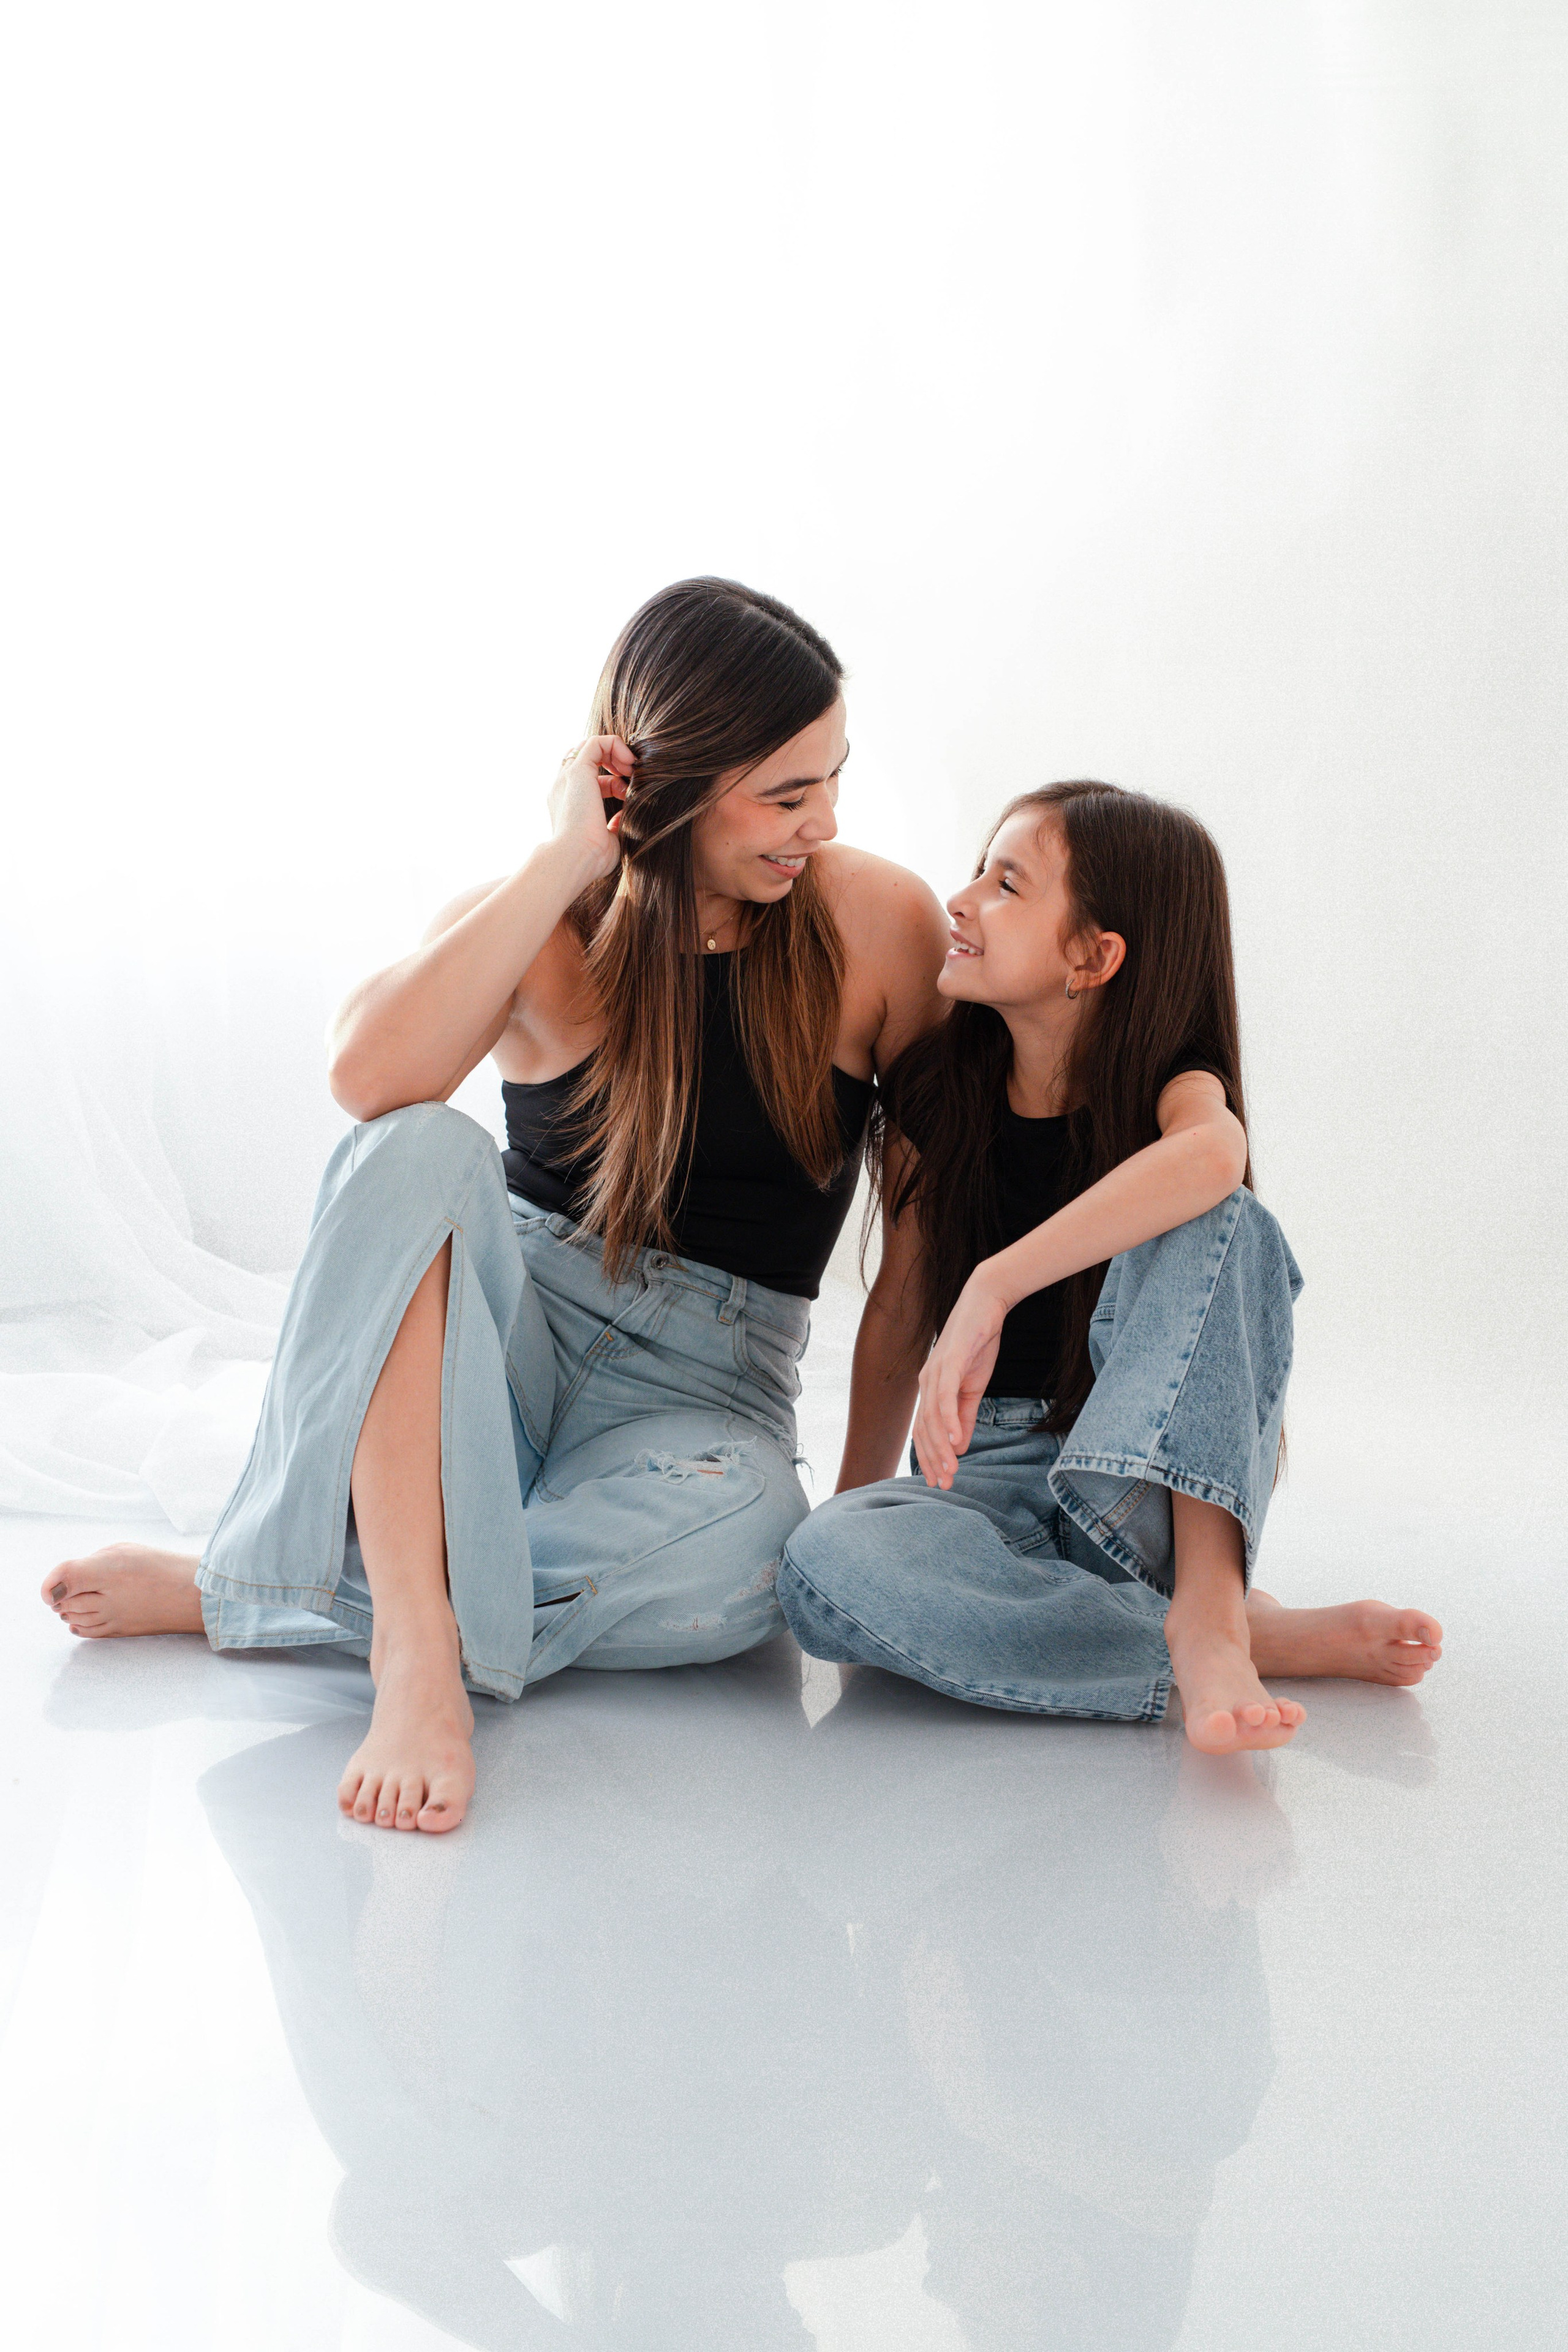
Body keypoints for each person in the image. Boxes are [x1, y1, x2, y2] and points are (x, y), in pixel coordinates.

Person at [42, 578, 950, 1828]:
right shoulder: (543, 918)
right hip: (513, 1328)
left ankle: (257, 1587)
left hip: (704, 1394)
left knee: (752, 1570)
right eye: (787, 795)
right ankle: (413, 1646)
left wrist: (852, 1516)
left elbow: (918, 1252)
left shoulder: (877, 921)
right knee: (410, 1148)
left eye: (831, 781)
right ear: (667, 781)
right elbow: (364, 1080)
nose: (821, 821)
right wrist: (569, 855)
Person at [777, 780, 1443, 1752]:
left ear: (1094, 957)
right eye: (977, 873)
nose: (959, 904)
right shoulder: (937, 1089)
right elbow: (899, 1308)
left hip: (1136, 1486)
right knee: (822, 1562)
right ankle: (1233, 1636)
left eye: (1006, 885)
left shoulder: (1178, 1091)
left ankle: (1210, 1614)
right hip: (983, 1485)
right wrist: (857, 1499)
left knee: (1228, 1222)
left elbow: (1218, 1161)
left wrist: (995, 1282)